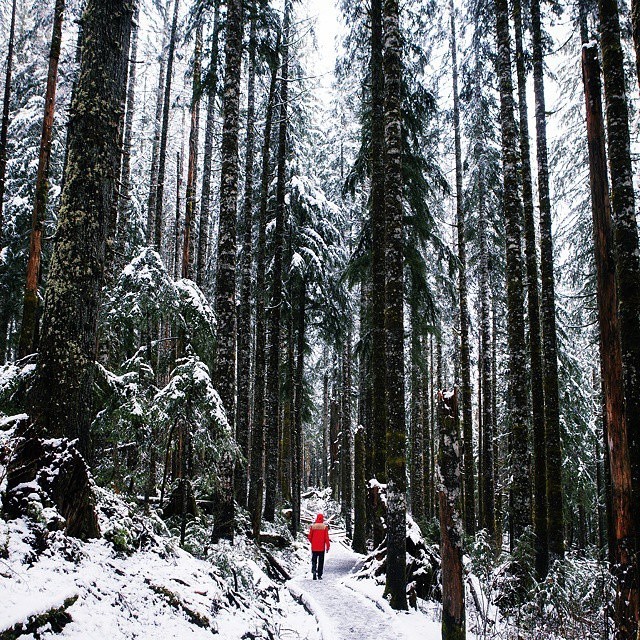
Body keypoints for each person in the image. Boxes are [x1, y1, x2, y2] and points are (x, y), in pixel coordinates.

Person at [307, 513, 331, 580]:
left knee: (314, 560)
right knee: (321, 561)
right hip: (321, 548)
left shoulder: (313, 526)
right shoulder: (324, 527)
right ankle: (319, 575)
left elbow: (309, 537)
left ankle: (314, 570)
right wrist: (328, 546)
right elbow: (326, 538)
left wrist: (313, 542)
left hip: (314, 548)